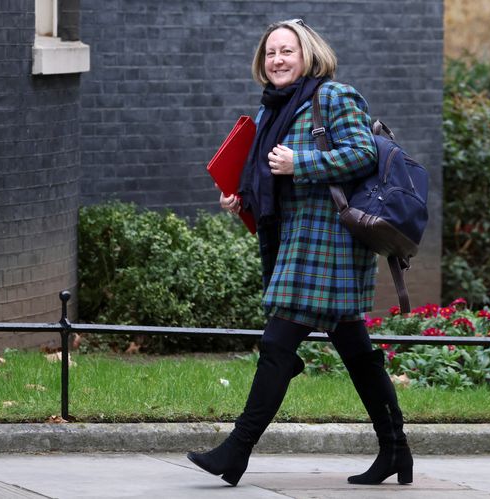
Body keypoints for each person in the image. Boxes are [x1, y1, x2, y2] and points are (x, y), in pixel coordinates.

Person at [187, 19, 413, 487]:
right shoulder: (272, 109)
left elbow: (363, 154)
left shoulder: (332, 96)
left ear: (308, 54)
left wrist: (300, 162)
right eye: (270, 53)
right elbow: (270, 181)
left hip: (327, 243)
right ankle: (396, 450)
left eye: (286, 51)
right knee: (357, 353)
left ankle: (237, 450)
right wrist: (242, 199)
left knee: (277, 344)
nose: (278, 60)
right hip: (297, 240)